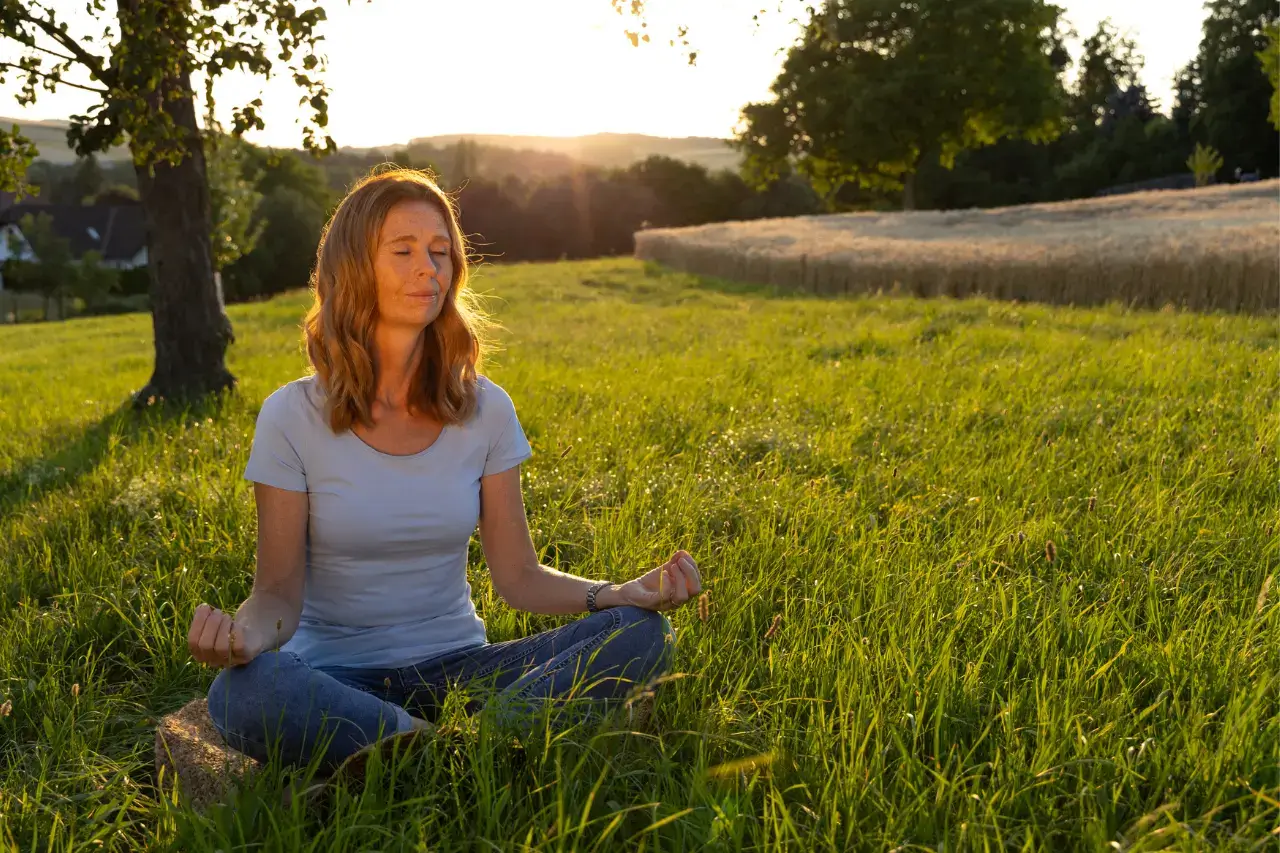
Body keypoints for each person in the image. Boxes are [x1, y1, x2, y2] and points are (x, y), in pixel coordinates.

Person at [188, 168, 702, 772]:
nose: (428, 268)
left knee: (639, 633)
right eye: (403, 250)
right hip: (335, 678)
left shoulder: (485, 409)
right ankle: (470, 751)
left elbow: (519, 577)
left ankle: (423, 750)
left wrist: (615, 593)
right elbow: (277, 593)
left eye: (440, 251)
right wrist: (245, 637)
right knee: (244, 693)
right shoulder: (291, 416)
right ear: (353, 267)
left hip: (463, 670)